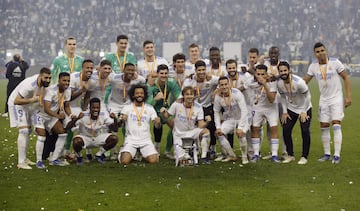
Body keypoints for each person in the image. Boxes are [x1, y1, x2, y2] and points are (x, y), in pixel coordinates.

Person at [303, 42, 352, 164]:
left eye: (322, 50)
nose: (320, 53)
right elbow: (305, 81)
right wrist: (292, 83)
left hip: (336, 98)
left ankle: (336, 155)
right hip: (323, 99)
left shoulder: (335, 62)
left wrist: (348, 97)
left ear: (326, 51)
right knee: (324, 126)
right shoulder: (313, 66)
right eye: (318, 52)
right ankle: (327, 154)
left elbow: (346, 77)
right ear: (315, 54)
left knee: (336, 124)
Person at [44, 36, 83, 161]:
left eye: (74, 44)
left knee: (69, 124)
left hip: (74, 96)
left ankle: (65, 151)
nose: (72, 46)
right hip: (60, 96)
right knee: (58, 125)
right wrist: (55, 94)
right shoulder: (58, 60)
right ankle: (51, 152)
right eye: (70, 44)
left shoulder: (80, 60)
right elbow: (54, 76)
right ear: (65, 46)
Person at [8, 67, 51, 169]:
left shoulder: (42, 84)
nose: (48, 80)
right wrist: (33, 100)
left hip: (26, 104)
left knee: (28, 131)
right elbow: (16, 100)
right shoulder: (30, 85)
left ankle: (24, 158)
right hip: (16, 104)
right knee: (24, 131)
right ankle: (21, 162)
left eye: (49, 78)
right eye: (46, 78)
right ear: (40, 76)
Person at [34, 72, 78, 166]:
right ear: (59, 81)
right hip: (40, 116)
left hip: (51, 117)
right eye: (64, 80)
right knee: (42, 136)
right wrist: (58, 116)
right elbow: (46, 108)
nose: (66, 83)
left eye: (68, 81)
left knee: (63, 133)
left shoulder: (68, 90)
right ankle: (39, 161)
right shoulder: (51, 90)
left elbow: (66, 106)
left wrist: (70, 115)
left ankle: (54, 159)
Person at [160, 86, 211, 164]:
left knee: (206, 132)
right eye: (187, 94)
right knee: (183, 161)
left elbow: (200, 125)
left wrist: (207, 122)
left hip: (192, 132)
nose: (189, 96)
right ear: (183, 95)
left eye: (191, 94)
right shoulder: (177, 104)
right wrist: (163, 112)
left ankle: (204, 157)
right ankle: (187, 153)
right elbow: (167, 115)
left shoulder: (198, 106)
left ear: (194, 96)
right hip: (179, 134)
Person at [277, 61, 312, 165]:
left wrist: (304, 111)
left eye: (285, 70)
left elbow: (308, 96)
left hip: (305, 108)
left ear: (289, 70)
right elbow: (283, 97)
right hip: (291, 109)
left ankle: (304, 156)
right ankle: (290, 155)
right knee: (286, 130)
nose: (283, 73)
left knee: (305, 131)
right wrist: (284, 112)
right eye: (281, 71)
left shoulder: (299, 82)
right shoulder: (279, 83)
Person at [182, 60, 219, 159]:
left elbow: (224, 81)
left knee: (212, 127)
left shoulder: (211, 79)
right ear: (195, 70)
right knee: (194, 128)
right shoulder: (189, 81)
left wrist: (216, 90)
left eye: (203, 70)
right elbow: (183, 93)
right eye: (199, 70)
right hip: (194, 107)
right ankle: (194, 149)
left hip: (207, 106)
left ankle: (212, 149)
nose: (201, 72)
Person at [119, 84, 161, 165]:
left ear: (144, 95)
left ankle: (140, 152)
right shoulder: (127, 108)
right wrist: (122, 120)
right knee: (124, 161)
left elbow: (157, 126)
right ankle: (124, 150)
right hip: (131, 140)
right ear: (133, 95)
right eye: (137, 93)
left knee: (154, 161)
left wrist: (158, 123)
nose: (139, 95)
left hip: (146, 140)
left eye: (141, 93)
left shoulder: (149, 108)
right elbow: (119, 125)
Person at [146, 64, 181, 157]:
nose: (164, 75)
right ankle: (156, 147)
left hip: (165, 108)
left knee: (175, 125)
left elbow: (179, 96)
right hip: (152, 109)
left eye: (166, 73)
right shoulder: (151, 85)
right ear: (157, 74)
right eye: (161, 73)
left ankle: (167, 151)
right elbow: (148, 104)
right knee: (158, 123)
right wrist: (156, 99)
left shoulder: (171, 83)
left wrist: (179, 103)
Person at [71, 97, 119, 165]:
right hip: (85, 138)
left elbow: (115, 129)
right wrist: (76, 119)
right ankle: (79, 156)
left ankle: (99, 154)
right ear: (89, 108)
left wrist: (115, 119)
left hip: (97, 137)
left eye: (97, 108)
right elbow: (70, 127)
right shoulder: (83, 115)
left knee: (114, 138)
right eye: (93, 108)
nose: (96, 110)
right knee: (76, 141)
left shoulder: (103, 115)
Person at [213, 76, 249, 163]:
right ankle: (231, 155)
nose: (224, 87)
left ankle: (244, 157)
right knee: (219, 134)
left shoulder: (237, 93)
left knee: (241, 134)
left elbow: (244, 110)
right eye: (222, 85)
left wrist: (240, 127)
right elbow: (216, 112)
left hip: (242, 118)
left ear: (229, 84)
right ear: (219, 86)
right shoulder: (218, 97)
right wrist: (218, 127)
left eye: (226, 84)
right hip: (230, 119)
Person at [249, 64, 280, 163]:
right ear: (255, 74)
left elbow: (271, 99)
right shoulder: (251, 82)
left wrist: (265, 85)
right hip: (257, 108)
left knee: (274, 129)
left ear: (266, 74)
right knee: (255, 129)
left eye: (263, 74)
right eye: (258, 74)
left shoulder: (272, 82)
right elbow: (241, 88)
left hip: (271, 108)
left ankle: (274, 155)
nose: (260, 76)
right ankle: (256, 154)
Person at [66, 59, 95, 161]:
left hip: (77, 107)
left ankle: (87, 151)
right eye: (87, 68)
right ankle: (67, 151)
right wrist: (81, 90)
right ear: (82, 68)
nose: (89, 70)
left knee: (86, 123)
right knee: (72, 126)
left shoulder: (91, 81)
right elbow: (68, 98)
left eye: (91, 68)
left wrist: (85, 108)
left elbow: (88, 95)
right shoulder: (73, 78)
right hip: (66, 106)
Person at [225, 59, 254, 157]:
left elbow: (255, 78)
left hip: (247, 107)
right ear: (226, 69)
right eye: (229, 68)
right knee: (229, 130)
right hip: (233, 110)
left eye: (233, 67)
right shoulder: (225, 79)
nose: (231, 70)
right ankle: (229, 153)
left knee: (248, 130)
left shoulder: (245, 76)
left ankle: (251, 153)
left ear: (236, 67)